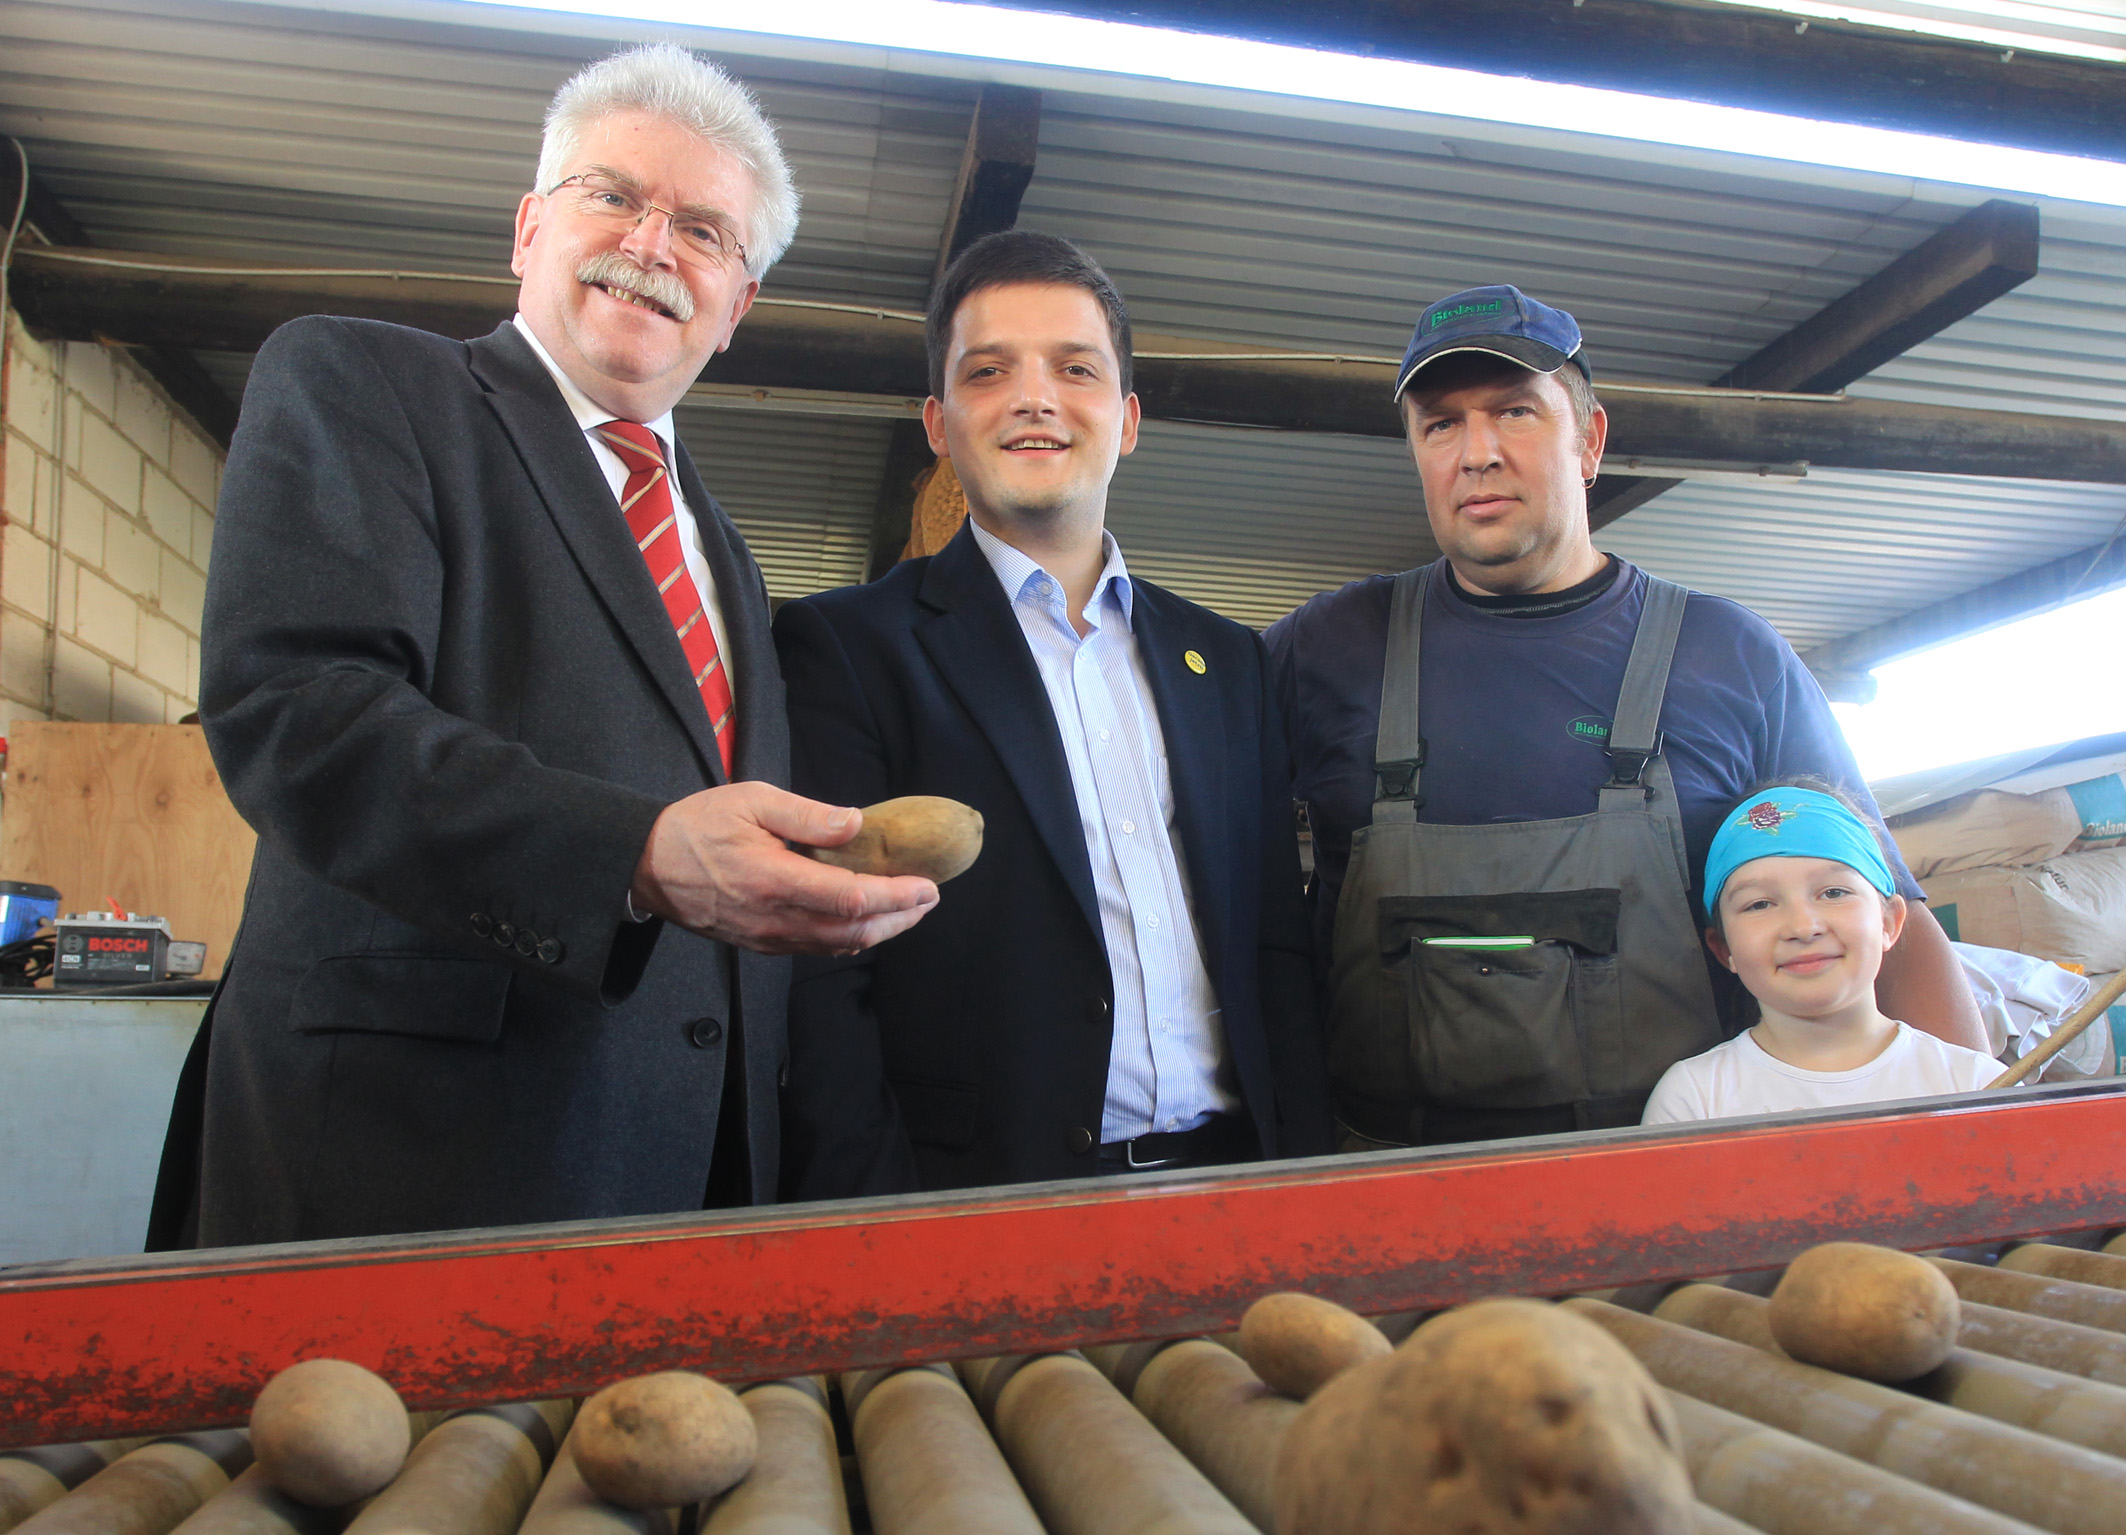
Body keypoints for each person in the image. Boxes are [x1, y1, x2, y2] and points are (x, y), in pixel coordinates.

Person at [154, 45, 938, 1249]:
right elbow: (301, 710)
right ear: (528, 228)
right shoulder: (365, 383)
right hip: (405, 1164)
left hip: (680, 1184)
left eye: (705, 231)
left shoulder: (726, 553)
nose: (652, 243)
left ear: (735, 309)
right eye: (612, 194)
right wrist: (634, 853)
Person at [1263, 284, 1985, 1150]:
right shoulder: (1324, 647)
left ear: (1591, 440)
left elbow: (1884, 913)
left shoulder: (1731, 655)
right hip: (1382, 1171)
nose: (1477, 453)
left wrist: (1970, 1138)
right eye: (1440, 424)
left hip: (1671, 1173)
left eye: (1515, 412)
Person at [773, 230, 1332, 1195]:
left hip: (1238, 1185)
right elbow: (821, 975)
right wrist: (871, 1218)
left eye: (1075, 367)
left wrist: (1304, 1168)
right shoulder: (847, 649)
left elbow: (1274, 946)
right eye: (988, 372)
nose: (1035, 397)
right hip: (984, 1203)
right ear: (939, 423)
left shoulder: (1230, 661)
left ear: (1127, 416)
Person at [1643, 784, 1999, 1123]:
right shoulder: (1695, 1099)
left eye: (1833, 893)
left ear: (1889, 922)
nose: (1802, 927)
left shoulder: (1976, 1084)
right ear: (1724, 950)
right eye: (1760, 904)